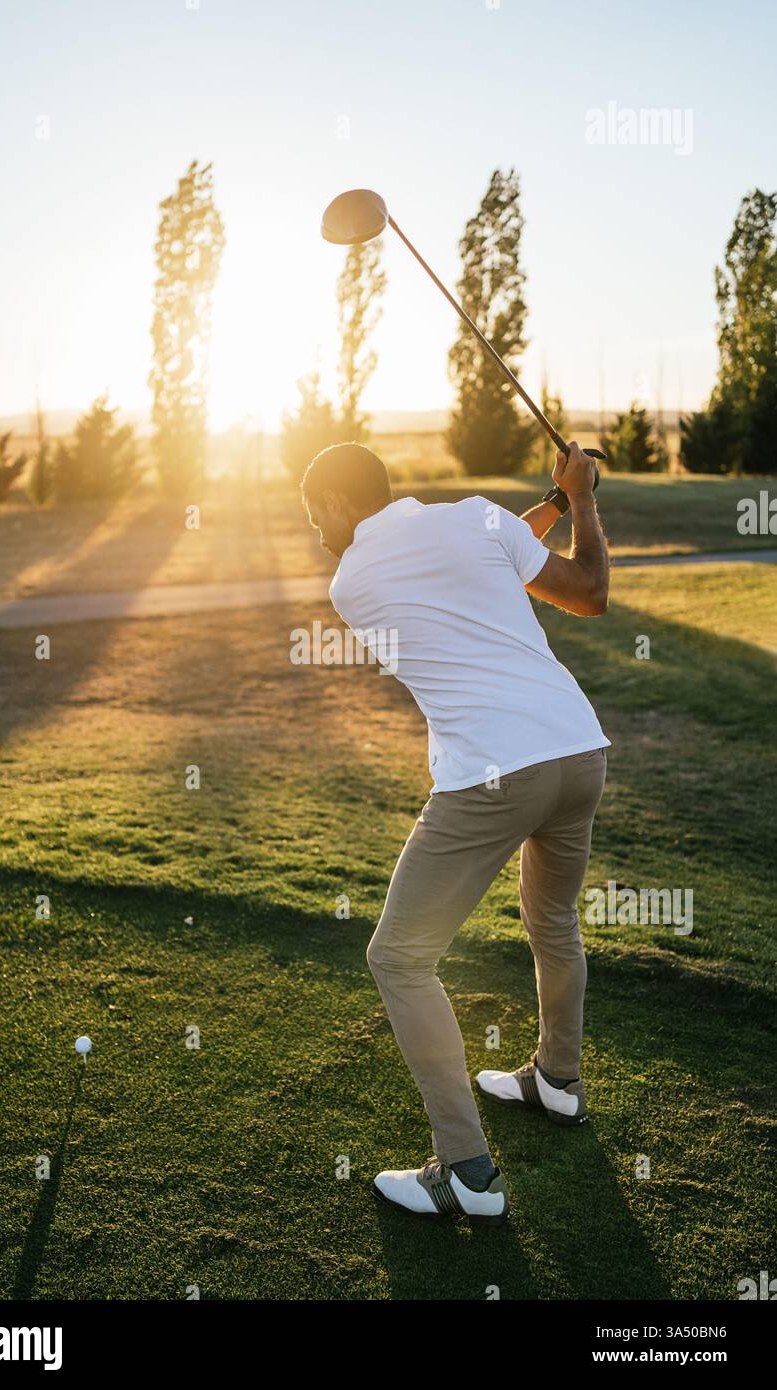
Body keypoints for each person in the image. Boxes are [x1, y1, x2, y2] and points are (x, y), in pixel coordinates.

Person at [301, 440, 610, 1223]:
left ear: (342, 504)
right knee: (553, 918)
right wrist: (578, 501)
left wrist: (559, 505)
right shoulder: (478, 519)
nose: (315, 529)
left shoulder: (351, 582)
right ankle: (558, 1084)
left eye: (316, 513)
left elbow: (494, 549)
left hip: (495, 773)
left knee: (398, 958)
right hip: (578, 751)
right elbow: (583, 590)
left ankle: (465, 1170)